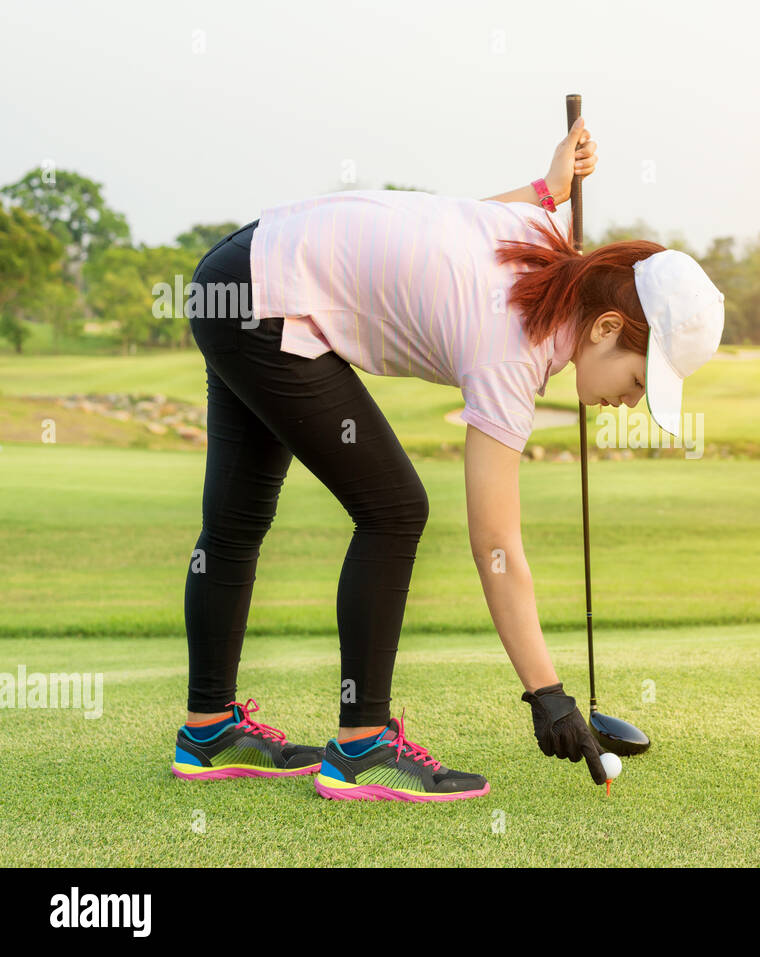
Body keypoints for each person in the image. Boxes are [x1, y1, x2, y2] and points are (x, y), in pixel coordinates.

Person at [171, 116, 726, 801]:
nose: (630, 401)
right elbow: (495, 545)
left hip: (237, 273)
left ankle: (209, 728)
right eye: (639, 381)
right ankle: (362, 745)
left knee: (237, 517)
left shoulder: (547, 240)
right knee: (395, 509)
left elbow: (461, 223)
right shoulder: (513, 346)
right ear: (608, 327)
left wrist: (546, 187)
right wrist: (546, 692)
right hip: (265, 298)